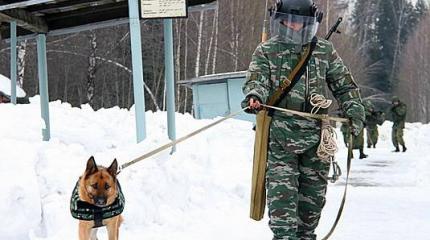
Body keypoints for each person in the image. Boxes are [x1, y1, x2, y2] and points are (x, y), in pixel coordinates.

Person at [241, 0, 365, 239]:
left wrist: (354, 113)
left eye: (301, 22)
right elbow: (256, 80)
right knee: (283, 213)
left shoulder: (324, 51)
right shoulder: (266, 51)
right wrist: (255, 96)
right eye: (290, 21)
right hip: (279, 139)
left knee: (310, 213)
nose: (295, 26)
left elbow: (345, 86)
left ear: (311, 23)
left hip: (315, 141)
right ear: (280, 20)